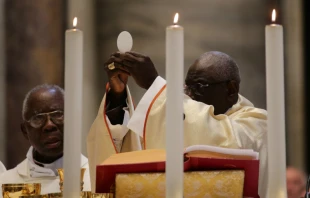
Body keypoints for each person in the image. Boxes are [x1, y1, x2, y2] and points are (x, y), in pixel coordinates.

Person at [87, 51, 267, 197]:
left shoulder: (258, 123)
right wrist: (117, 100)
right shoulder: (182, 121)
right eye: (186, 87)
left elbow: (222, 140)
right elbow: (134, 153)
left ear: (231, 89)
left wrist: (153, 84)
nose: (189, 95)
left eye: (199, 86)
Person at [0, 84, 91, 196]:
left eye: (58, 114)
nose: (49, 125)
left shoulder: (95, 178)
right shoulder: (6, 183)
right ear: (25, 131)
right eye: (38, 118)